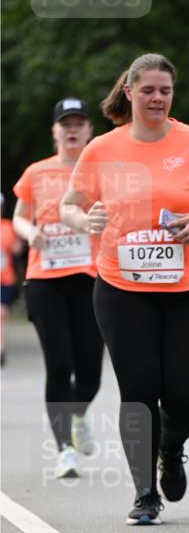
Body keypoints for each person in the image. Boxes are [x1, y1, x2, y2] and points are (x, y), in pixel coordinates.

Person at [60, 53, 189, 525]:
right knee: (138, 388)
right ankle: (144, 493)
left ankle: (172, 446)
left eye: (165, 90)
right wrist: (85, 219)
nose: (157, 98)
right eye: (148, 90)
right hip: (122, 288)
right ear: (130, 92)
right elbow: (70, 205)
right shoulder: (103, 149)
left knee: (188, 399)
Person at [12, 99, 104, 477]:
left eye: (79, 123)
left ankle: (78, 414)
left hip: (92, 278)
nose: (72, 129)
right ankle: (64, 449)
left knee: (90, 373)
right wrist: (30, 232)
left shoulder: (102, 171)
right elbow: (19, 216)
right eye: (66, 123)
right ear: (54, 131)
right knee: (59, 363)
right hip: (45, 279)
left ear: (90, 130)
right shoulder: (36, 172)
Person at [1, 192, 22, 367]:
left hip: (4, 278)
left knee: (2, 314)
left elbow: (17, 249)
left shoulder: (8, 227)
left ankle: (1, 350)